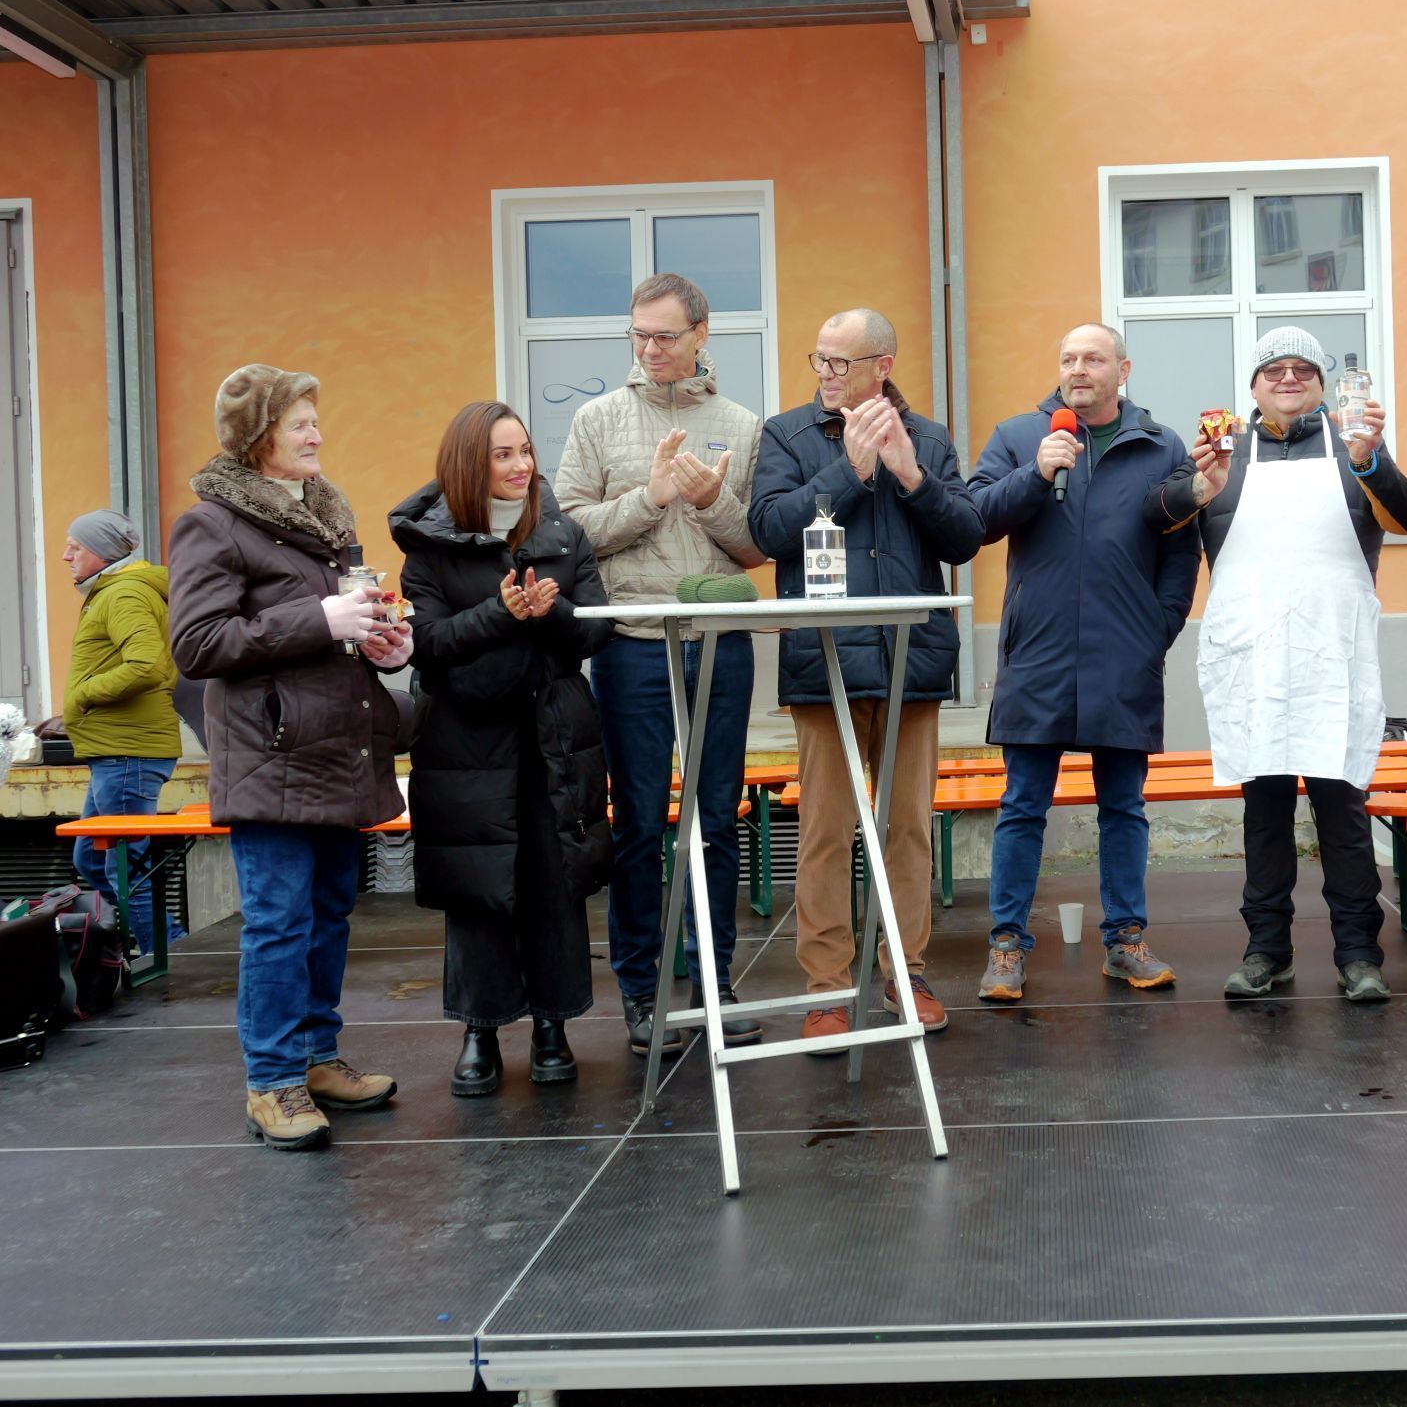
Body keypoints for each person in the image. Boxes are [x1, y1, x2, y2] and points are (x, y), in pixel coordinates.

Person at [169, 365, 410, 1152]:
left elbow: (334, 630)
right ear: (257, 436)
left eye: (315, 419)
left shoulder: (325, 518)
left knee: (330, 914)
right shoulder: (213, 524)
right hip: (271, 756)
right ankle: (270, 1081)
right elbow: (198, 645)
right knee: (277, 921)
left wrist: (379, 641)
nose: (315, 433)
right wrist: (318, 616)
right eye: (299, 421)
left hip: (338, 746)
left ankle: (314, 1057)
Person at [1146, 326, 1407, 1002]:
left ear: (1324, 385)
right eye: (1276, 369)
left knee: (1344, 811)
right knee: (1263, 811)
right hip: (1255, 660)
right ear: (1254, 386)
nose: (1290, 378)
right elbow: (1155, 521)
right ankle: (1266, 948)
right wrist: (1194, 489)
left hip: (1333, 658)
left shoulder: (1354, 450)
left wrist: (1372, 461)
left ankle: (1360, 953)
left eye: (1304, 369)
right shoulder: (1223, 455)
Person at [748, 308, 983, 1049]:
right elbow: (770, 529)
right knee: (825, 830)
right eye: (818, 359)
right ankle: (826, 988)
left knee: (908, 827)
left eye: (839, 362)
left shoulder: (933, 440)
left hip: (911, 661)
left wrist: (912, 476)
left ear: (882, 364)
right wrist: (847, 473)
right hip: (825, 661)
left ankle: (905, 970)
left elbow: (965, 537)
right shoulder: (786, 435)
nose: (824, 374)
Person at [555, 273, 767, 1057]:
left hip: (716, 638)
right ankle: (641, 991)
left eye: (665, 335)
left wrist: (710, 498)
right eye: (638, 335)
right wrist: (649, 496)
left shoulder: (742, 425)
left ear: (703, 334)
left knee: (716, 819)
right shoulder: (597, 419)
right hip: (633, 641)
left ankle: (715, 979)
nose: (650, 349)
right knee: (640, 823)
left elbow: (758, 545)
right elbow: (570, 531)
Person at [966, 323, 1200, 1000]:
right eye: (1067, 357)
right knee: (1021, 805)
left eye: (1093, 358)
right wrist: (1035, 474)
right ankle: (1007, 945)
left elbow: (1181, 550)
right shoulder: (1019, 436)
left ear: (1122, 369)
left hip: (1124, 651)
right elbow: (975, 518)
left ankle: (1125, 940)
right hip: (1037, 652)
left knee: (1123, 805)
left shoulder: (1160, 446)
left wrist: (1156, 628)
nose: (1078, 368)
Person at [393, 403, 613, 1096]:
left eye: (525, 451)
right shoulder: (429, 546)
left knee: (554, 881)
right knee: (480, 888)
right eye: (504, 454)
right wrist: (500, 612)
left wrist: (552, 611)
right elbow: (425, 645)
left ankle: (554, 1026)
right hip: (467, 741)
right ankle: (479, 1030)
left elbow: (594, 633)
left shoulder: (562, 531)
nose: (522, 466)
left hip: (553, 735)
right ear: (469, 464)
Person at [59, 509, 182, 954]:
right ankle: (161, 942)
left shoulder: (123, 594)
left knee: (123, 868)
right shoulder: (111, 592)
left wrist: (84, 695)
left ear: (103, 552)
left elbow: (147, 665)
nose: (65, 555)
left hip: (129, 752)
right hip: (116, 750)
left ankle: (167, 956)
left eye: (76, 547)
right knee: (91, 857)